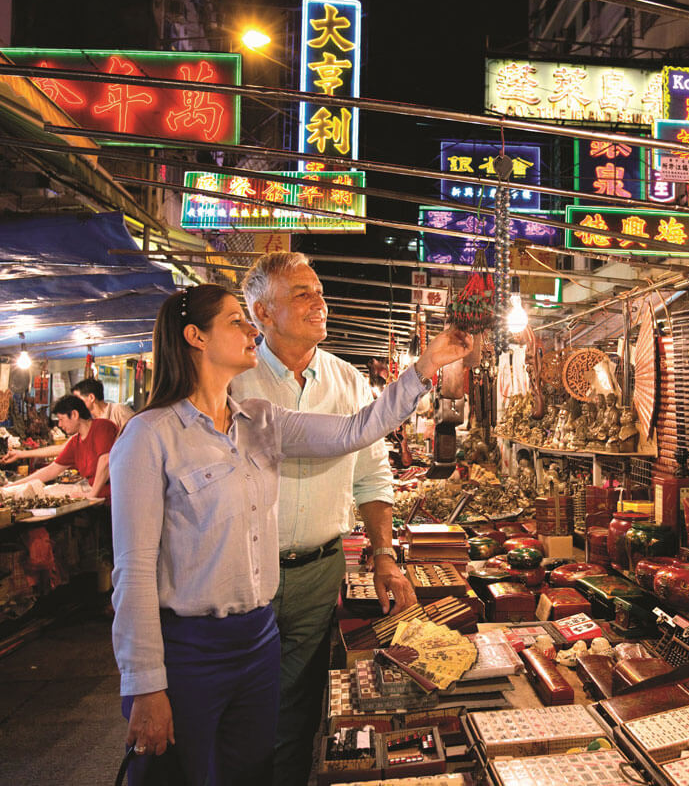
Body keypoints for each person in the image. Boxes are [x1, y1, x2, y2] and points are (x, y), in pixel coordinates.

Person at [110, 284, 471, 786]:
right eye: (237, 321)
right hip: (190, 645)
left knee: (250, 771)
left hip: (257, 637)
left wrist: (424, 368)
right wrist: (145, 684)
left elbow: (355, 430)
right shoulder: (150, 436)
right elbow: (132, 570)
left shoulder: (259, 421)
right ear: (195, 336)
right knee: (175, 775)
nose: (251, 330)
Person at [230, 252, 418, 786]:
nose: (319, 302)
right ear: (262, 314)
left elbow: (373, 476)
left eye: (318, 290)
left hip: (318, 572)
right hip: (243, 571)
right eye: (301, 294)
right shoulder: (234, 380)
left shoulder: (348, 380)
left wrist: (384, 555)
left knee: (297, 710)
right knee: (240, 707)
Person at [2, 395, 116, 499]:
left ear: (75, 414)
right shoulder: (75, 442)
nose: (60, 425)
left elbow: (105, 460)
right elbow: (51, 470)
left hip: (114, 499)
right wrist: (12, 486)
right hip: (97, 499)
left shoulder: (102, 427)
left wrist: (92, 493)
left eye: (61, 419)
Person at [2, 377, 133, 465]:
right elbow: (62, 448)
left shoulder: (118, 410)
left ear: (91, 398)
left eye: (78, 399)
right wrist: (21, 453)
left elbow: (137, 439)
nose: (74, 403)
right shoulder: (87, 423)